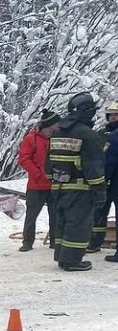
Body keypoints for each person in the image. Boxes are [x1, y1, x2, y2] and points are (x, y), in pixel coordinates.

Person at [44, 92, 107, 271]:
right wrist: (100, 190)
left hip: (58, 187)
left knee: (62, 222)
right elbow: (93, 167)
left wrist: (54, 181)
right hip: (80, 189)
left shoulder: (57, 134)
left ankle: (62, 257)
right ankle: (72, 261)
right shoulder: (87, 135)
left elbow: (48, 163)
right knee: (79, 224)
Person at [17, 109, 61, 252]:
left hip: (54, 184)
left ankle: (55, 241)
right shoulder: (30, 139)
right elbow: (24, 159)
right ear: (50, 125)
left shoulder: (57, 139)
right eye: (56, 124)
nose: (59, 126)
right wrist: (37, 174)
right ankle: (27, 242)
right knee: (31, 215)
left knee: (56, 214)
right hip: (36, 185)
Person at [88, 101, 118, 254]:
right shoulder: (101, 133)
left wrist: (105, 179)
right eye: (111, 114)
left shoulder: (114, 136)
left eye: (116, 114)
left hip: (112, 179)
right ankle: (94, 242)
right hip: (103, 178)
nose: (113, 117)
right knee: (99, 212)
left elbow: (110, 160)